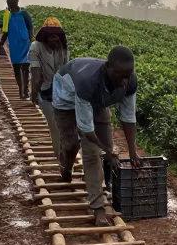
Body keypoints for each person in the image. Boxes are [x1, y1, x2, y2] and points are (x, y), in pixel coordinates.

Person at [52, 47, 143, 226]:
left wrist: (132, 151)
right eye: (121, 76)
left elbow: (128, 117)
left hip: (97, 102)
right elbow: (87, 131)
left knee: (99, 150)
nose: (125, 81)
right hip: (67, 98)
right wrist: (108, 151)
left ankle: (99, 201)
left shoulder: (129, 81)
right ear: (108, 68)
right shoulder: (88, 81)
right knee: (75, 146)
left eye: (128, 75)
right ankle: (67, 167)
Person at [29, 17, 68, 161]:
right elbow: (66, 71)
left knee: (55, 129)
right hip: (61, 92)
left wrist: (33, 94)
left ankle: (61, 158)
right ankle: (63, 158)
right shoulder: (63, 45)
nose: (53, 39)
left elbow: (36, 75)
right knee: (63, 127)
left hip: (47, 92)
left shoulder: (35, 47)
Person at [0, 0, 34, 99]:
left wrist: (30, 38)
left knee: (23, 68)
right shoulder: (8, 15)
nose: (10, 3)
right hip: (16, 44)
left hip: (22, 43)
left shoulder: (23, 13)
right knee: (19, 68)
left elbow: (30, 27)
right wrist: (1, 43)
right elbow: (5, 31)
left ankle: (24, 91)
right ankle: (22, 91)